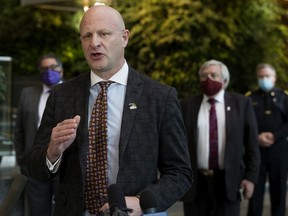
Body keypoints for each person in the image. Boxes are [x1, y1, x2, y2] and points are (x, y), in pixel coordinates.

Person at [27, 5, 193, 216]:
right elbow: (35, 170)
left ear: (124, 38)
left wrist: (141, 202)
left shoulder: (160, 97)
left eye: (103, 34)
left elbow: (180, 173)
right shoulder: (61, 96)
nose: (94, 42)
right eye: (87, 35)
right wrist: (52, 152)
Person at [181, 59, 260, 216]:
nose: (208, 79)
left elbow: (252, 145)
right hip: (196, 183)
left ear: (224, 80)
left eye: (213, 75)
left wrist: (250, 178)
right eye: (204, 76)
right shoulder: (187, 105)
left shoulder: (241, 104)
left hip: (228, 181)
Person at [14, 53, 64, 216]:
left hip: (66, 166)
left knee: (65, 210)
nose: (48, 71)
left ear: (61, 70)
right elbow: (19, 129)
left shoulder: (73, 92)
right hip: (34, 166)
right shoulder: (27, 94)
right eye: (44, 69)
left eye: (52, 67)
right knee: (37, 212)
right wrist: (22, 159)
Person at [246, 63, 288, 216]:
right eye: (261, 76)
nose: (264, 79)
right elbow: (245, 123)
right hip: (257, 152)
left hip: (279, 151)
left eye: (267, 76)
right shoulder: (250, 98)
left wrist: (275, 136)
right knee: (255, 192)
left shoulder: (283, 97)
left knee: (279, 190)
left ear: (274, 78)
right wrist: (256, 137)